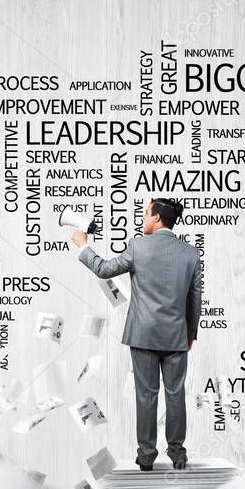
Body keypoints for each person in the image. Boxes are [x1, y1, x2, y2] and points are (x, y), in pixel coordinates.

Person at [71, 198, 202, 471]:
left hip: (143, 334)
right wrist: (190, 334)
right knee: (175, 395)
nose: (142, 219)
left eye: (145, 213)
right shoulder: (190, 253)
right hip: (177, 335)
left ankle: (146, 456)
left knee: (146, 395)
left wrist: (83, 245)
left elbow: (104, 269)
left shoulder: (139, 246)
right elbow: (194, 298)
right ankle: (178, 455)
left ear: (156, 218)